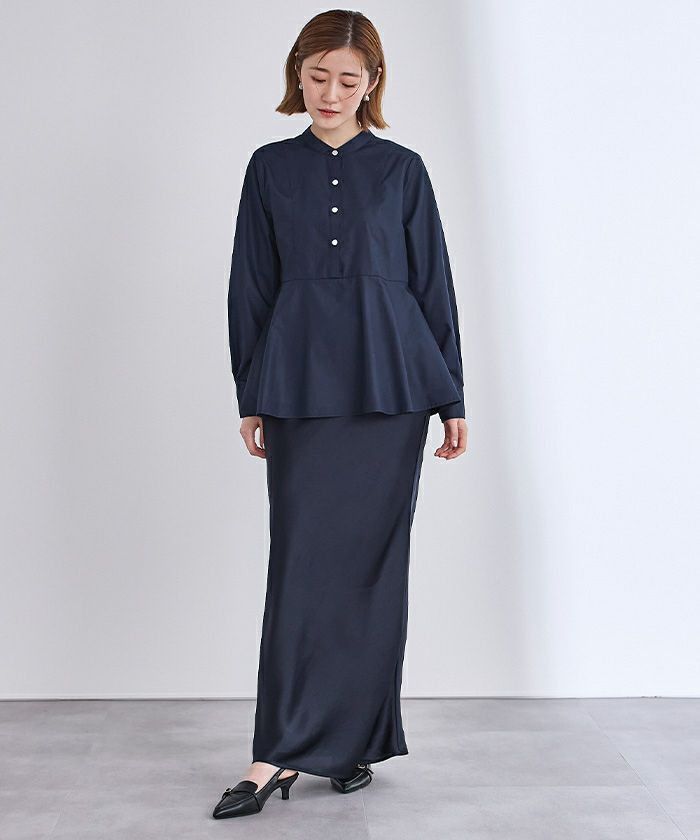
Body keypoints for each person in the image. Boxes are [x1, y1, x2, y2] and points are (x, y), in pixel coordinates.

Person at [212, 9, 468, 820]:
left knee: (373, 573)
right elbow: (250, 283)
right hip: (298, 384)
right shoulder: (269, 168)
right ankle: (277, 752)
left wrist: (452, 397)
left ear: (372, 83)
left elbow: (433, 285)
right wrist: (251, 392)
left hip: (394, 388)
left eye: (348, 79)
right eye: (317, 76)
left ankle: (349, 741)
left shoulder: (401, 170)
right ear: (298, 73)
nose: (330, 92)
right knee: (300, 566)